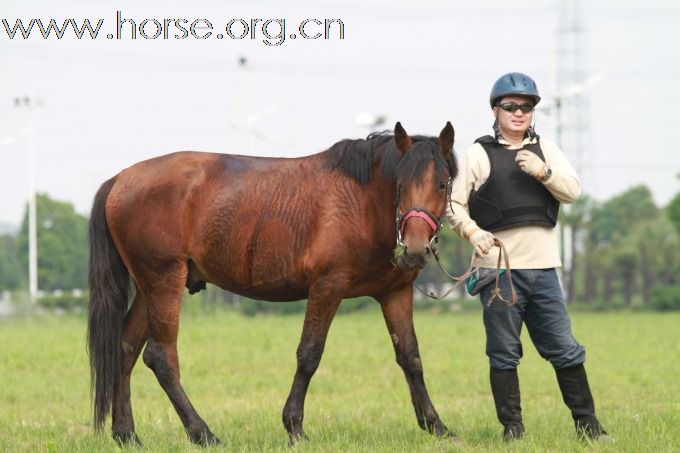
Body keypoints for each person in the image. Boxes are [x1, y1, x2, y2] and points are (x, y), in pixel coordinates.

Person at [446, 72, 608, 441]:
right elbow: (453, 205)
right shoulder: (478, 153)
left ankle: (590, 429)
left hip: (545, 271)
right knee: (503, 354)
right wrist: (472, 231)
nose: (519, 113)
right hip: (499, 273)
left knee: (566, 349)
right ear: (496, 109)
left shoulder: (546, 149)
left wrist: (544, 172)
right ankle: (513, 431)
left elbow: (573, 191)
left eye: (527, 107)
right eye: (511, 106)